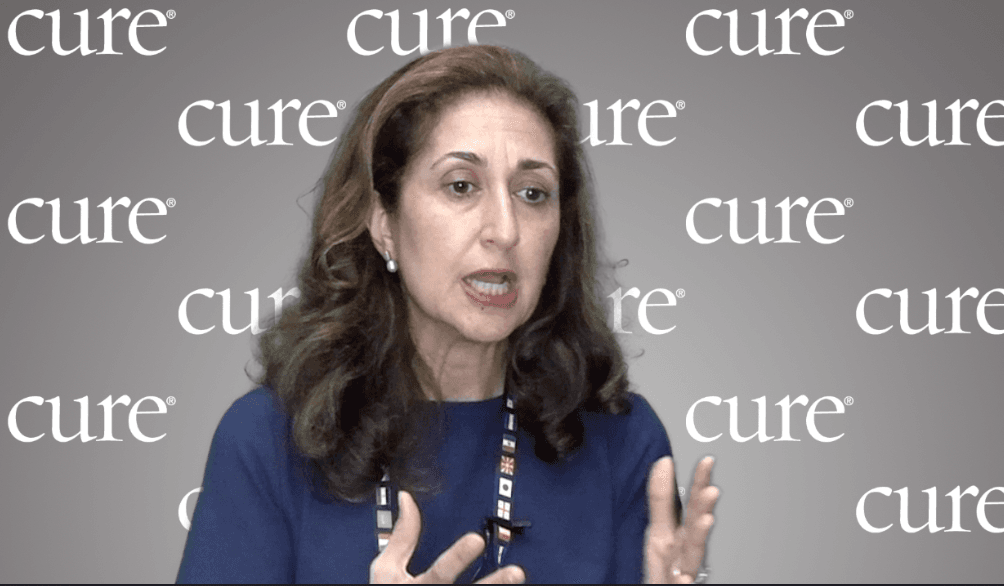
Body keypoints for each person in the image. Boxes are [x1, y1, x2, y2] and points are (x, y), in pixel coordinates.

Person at [176, 45, 718, 584]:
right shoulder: (268, 441)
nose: (505, 230)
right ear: (383, 221)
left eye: (533, 193)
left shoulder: (621, 443)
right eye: (461, 186)